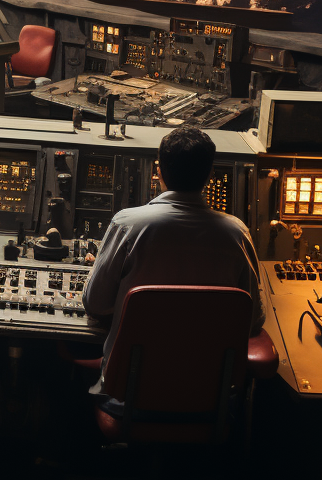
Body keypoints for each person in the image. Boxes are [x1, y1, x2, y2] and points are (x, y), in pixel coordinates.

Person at [81, 126, 264, 398]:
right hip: (209, 402)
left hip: (127, 398)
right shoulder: (237, 233)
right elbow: (251, 321)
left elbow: (95, 304)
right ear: (210, 175)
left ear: (159, 173)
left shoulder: (126, 225)